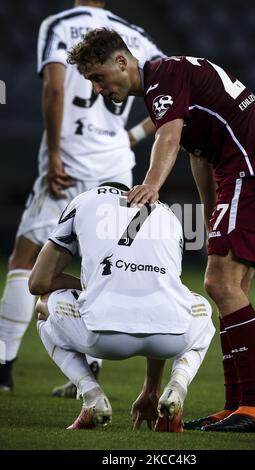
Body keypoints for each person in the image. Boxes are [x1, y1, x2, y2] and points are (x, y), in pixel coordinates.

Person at [66, 28, 255, 432]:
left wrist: (151, 184)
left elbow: (169, 139)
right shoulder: (171, 83)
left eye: (99, 77)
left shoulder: (163, 79)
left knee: (219, 284)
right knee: (233, 291)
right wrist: (210, 217)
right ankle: (238, 404)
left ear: (122, 61)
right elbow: (198, 155)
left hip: (248, 169)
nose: (99, 89)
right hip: (248, 169)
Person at [0, 1, 163, 395]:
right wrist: (131, 137)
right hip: (115, 167)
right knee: (105, 264)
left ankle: (3, 365)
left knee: (25, 257)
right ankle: (89, 368)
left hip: (68, 164)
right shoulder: (134, 34)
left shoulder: (58, 24)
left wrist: (54, 154)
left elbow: (54, 87)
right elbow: (172, 95)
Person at [28, 182, 215, 431]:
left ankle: (91, 395)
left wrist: (97, 284)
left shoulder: (84, 201)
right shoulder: (167, 213)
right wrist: (151, 388)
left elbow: (38, 282)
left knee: (43, 306)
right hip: (171, 338)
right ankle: (176, 386)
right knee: (200, 307)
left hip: (101, 338)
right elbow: (162, 292)